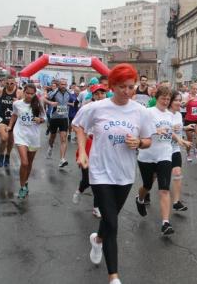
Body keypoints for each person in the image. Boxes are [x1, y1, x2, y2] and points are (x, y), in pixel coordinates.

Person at [72, 63, 152, 284]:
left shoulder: (140, 111)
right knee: (113, 223)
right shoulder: (96, 108)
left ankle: (97, 240)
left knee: (109, 220)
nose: (128, 92)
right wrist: (81, 151)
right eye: (123, 87)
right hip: (100, 172)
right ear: (112, 86)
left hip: (125, 174)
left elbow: (148, 140)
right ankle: (113, 276)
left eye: (131, 87)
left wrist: (140, 142)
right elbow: (78, 126)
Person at [135, 86, 189, 235]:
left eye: (167, 99)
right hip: (147, 155)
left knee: (164, 189)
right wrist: (154, 131)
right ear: (156, 98)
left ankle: (166, 223)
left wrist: (179, 139)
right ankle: (140, 198)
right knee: (147, 185)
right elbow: (138, 129)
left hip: (165, 154)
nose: (165, 101)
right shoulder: (148, 112)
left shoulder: (170, 115)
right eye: (163, 98)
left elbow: (170, 131)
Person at [72, 84, 108, 218]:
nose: (100, 96)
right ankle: (79, 190)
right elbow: (74, 125)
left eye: (102, 93)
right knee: (87, 179)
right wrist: (84, 134)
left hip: (103, 147)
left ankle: (96, 207)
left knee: (100, 179)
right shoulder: (86, 108)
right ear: (92, 95)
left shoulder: (110, 109)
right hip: (88, 144)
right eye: (97, 94)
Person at [7, 84, 46, 199]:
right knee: (24, 163)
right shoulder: (17, 104)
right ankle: (22, 186)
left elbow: (45, 117)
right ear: (24, 92)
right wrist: (10, 126)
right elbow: (14, 115)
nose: (29, 95)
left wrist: (41, 119)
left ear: (35, 93)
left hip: (33, 137)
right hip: (20, 135)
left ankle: (26, 181)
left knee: (29, 164)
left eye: (32, 93)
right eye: (27, 93)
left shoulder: (38, 104)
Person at [0, 75, 23, 167]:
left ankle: (7, 155)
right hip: (2, 118)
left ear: (15, 83)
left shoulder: (19, 92)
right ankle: (1, 155)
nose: (9, 85)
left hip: (13, 119)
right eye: (7, 83)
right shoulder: (0, 90)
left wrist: (18, 102)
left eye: (11, 83)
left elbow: (24, 106)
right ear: (4, 82)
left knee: (11, 140)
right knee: (4, 138)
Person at [168, 90, 192, 211]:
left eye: (179, 100)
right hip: (163, 149)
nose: (178, 102)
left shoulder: (178, 114)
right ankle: (145, 192)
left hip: (175, 148)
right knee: (154, 176)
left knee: (177, 172)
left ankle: (176, 202)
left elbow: (178, 129)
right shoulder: (165, 113)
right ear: (170, 101)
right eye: (175, 100)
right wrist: (181, 140)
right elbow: (165, 129)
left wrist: (186, 127)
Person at [44, 79, 71, 167]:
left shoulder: (69, 93)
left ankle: (62, 159)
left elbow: (74, 100)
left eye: (65, 84)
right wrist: (50, 102)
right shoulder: (54, 92)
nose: (63, 86)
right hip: (54, 118)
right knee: (52, 137)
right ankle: (51, 147)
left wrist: (71, 104)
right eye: (62, 84)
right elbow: (44, 99)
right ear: (59, 85)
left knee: (63, 139)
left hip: (64, 118)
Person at [184, 83, 197, 161]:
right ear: (190, 89)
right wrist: (188, 101)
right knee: (190, 140)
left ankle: (196, 149)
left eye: (196, 89)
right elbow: (183, 105)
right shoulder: (187, 97)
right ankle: (188, 153)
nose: (195, 90)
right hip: (188, 120)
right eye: (193, 89)